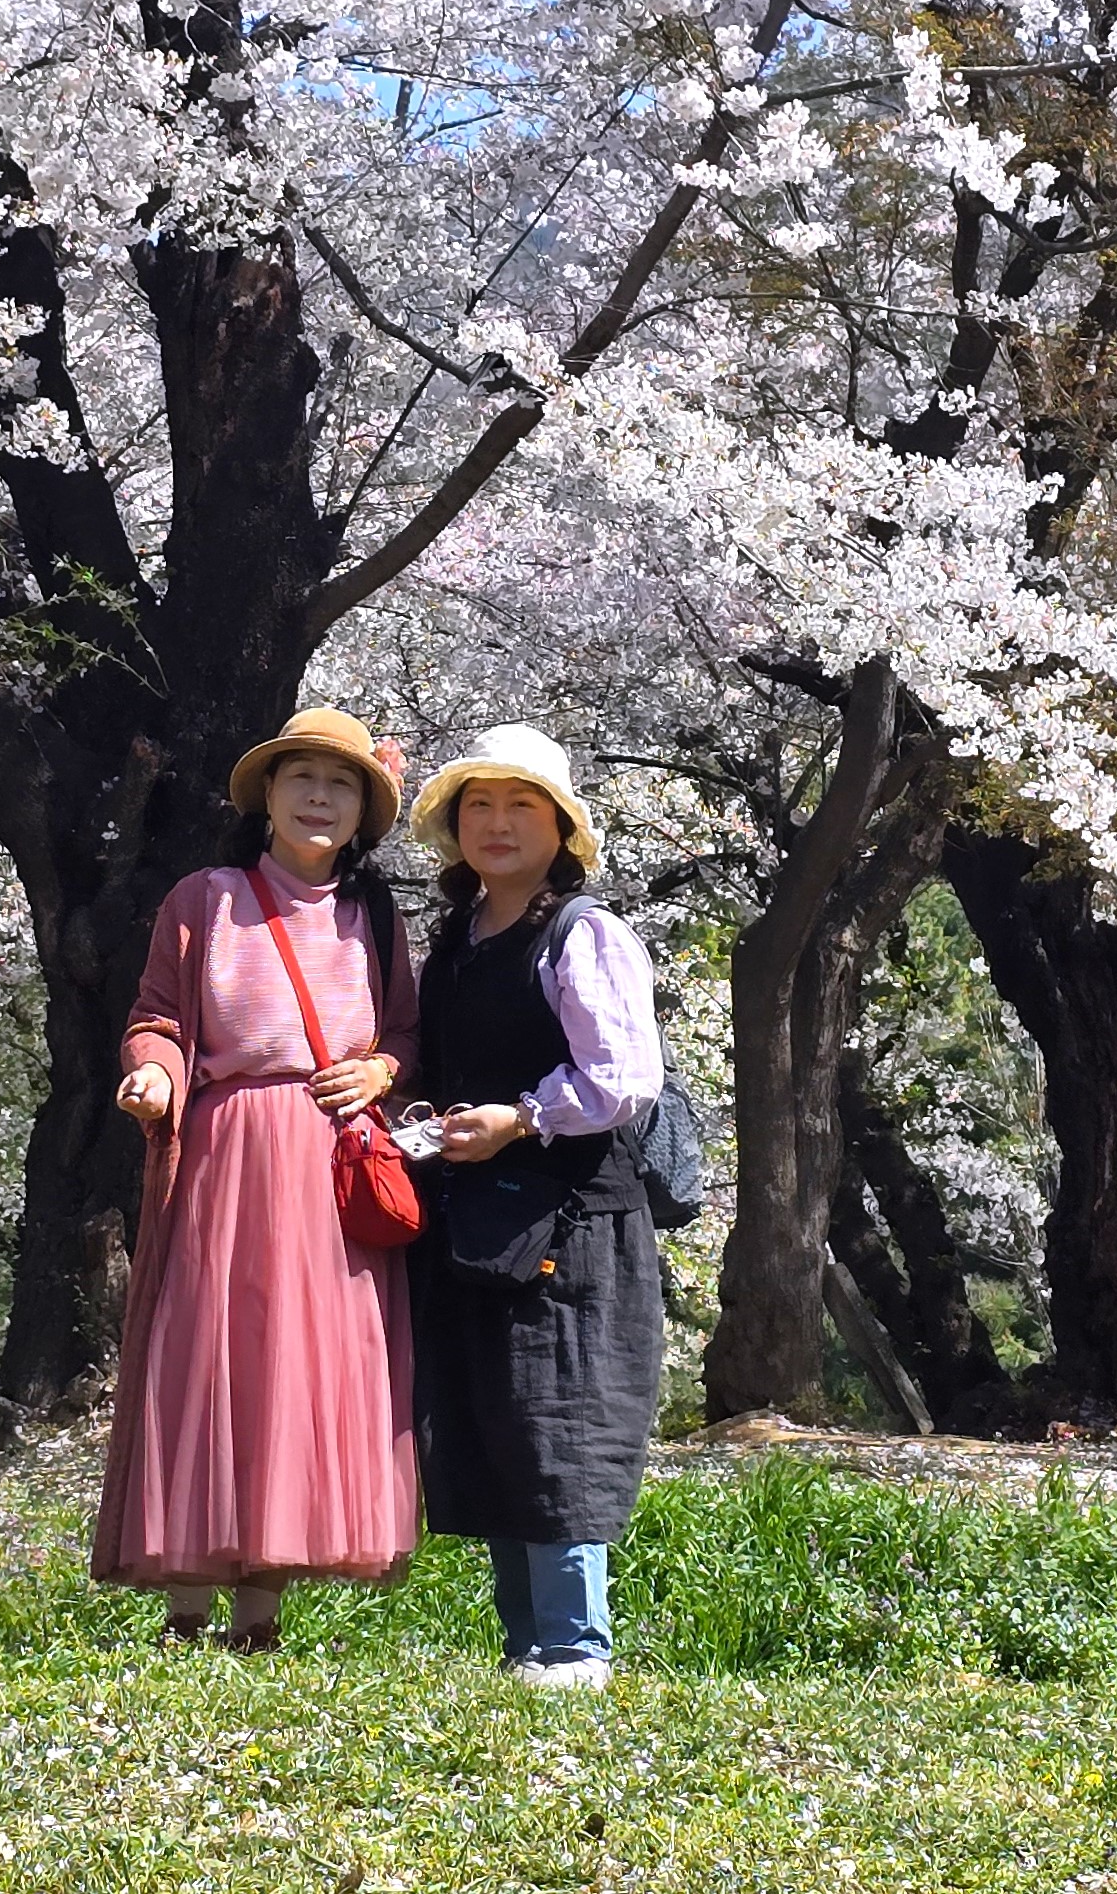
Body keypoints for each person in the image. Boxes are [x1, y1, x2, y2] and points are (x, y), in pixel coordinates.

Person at [89, 707, 422, 1649]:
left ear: (362, 813)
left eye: (342, 783)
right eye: (301, 777)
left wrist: (382, 1070)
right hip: (225, 1155)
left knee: (303, 1372)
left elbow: (406, 1032)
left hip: (333, 1166)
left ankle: (261, 1615)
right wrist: (155, 1074)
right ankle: (186, 1609)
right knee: (209, 1360)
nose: (320, 797)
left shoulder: (376, 918)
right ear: (266, 796)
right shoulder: (205, 899)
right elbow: (157, 1016)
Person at [403, 723, 665, 1692]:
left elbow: (621, 1078)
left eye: (521, 805)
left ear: (560, 828)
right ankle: (526, 1648)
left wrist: (519, 1118)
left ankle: (574, 1648)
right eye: (478, 805)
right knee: (497, 1424)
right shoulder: (457, 941)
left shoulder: (583, 934)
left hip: (572, 1224)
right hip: (476, 1222)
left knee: (562, 1422)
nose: (497, 823)